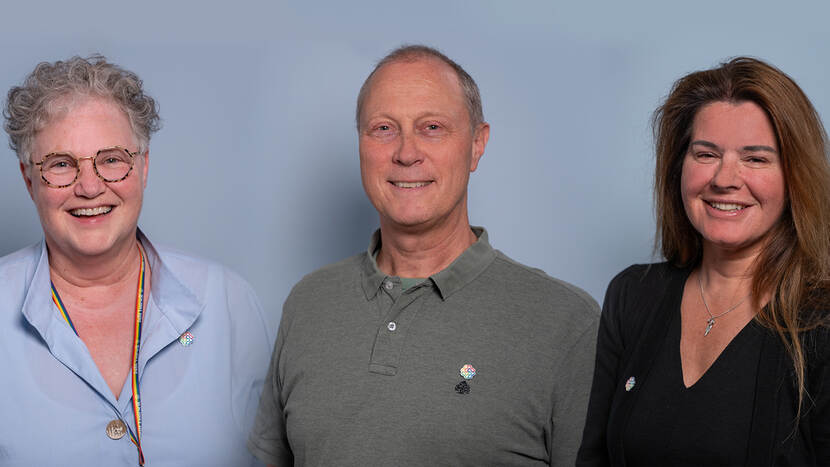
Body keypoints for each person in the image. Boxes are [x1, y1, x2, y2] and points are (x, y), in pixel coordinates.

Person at [247, 44, 600, 466]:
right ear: (360, 143)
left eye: (432, 127)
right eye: (383, 128)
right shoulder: (308, 303)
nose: (406, 152)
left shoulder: (564, 323)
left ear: (477, 144)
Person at [0, 55, 273, 466]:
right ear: (29, 180)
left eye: (111, 159)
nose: (89, 187)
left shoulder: (227, 300)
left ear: (143, 168)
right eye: (61, 164)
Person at [577, 57, 830, 466]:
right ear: (679, 166)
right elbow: (593, 457)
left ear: (794, 177)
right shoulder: (633, 295)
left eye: (755, 158)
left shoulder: (822, 321)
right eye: (707, 154)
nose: (725, 179)